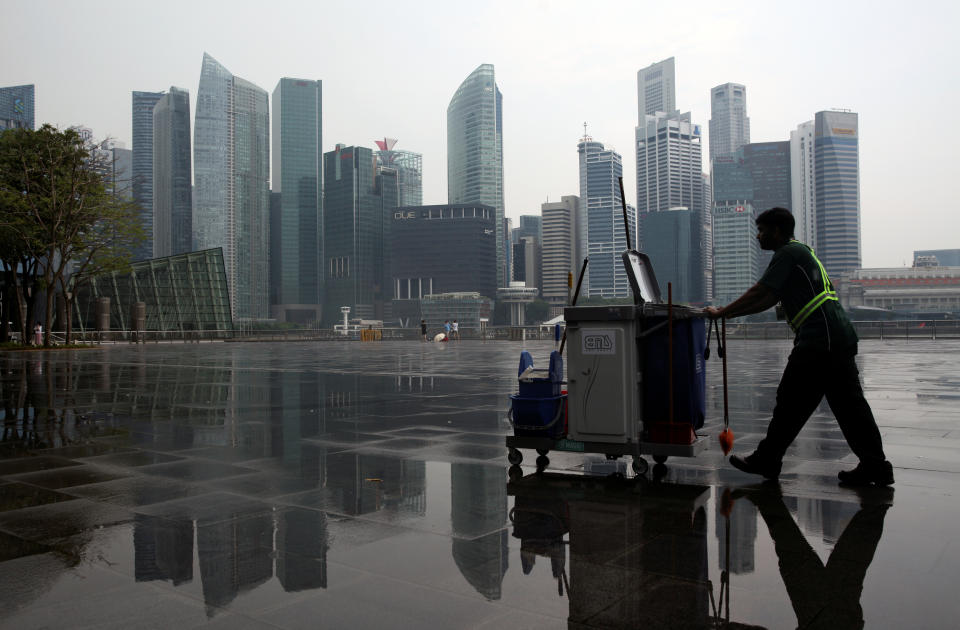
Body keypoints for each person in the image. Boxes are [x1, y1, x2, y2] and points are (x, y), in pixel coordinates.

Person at [705, 207, 893, 486]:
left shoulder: (788, 254)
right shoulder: (798, 253)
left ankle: (768, 459)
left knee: (791, 399)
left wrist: (721, 312)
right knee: (848, 406)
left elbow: (761, 292)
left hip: (820, 338)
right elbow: (768, 300)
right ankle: (875, 465)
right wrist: (729, 313)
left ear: (777, 231)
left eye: (762, 231)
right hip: (835, 336)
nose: (757, 237)